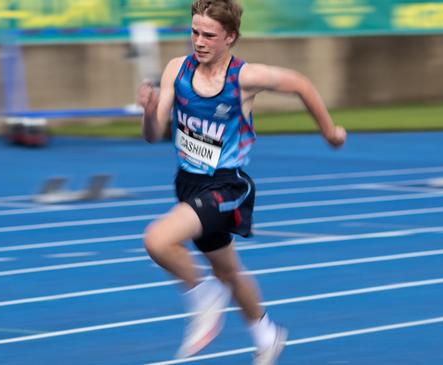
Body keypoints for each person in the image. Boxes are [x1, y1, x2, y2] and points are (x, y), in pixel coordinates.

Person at [136, 0, 346, 363]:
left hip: (227, 187)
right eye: (194, 32)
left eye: (209, 35)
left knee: (157, 240)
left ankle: (203, 296)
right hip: (188, 183)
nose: (199, 42)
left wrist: (329, 132)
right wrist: (148, 111)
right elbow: (154, 135)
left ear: (230, 37)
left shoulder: (244, 78)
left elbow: (300, 83)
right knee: (228, 271)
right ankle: (267, 334)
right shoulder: (177, 70)